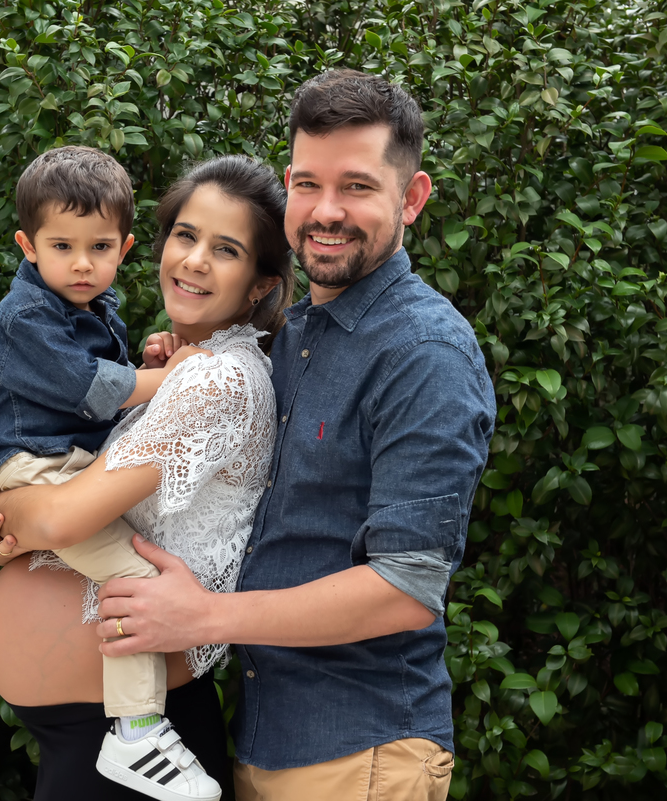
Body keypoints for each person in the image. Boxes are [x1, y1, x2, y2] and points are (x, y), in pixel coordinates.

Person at [90, 69, 497, 800]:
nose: (326, 210)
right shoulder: (293, 335)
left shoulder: (425, 353)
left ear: (412, 198)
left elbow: (405, 588)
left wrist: (203, 616)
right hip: (265, 739)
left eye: (357, 186)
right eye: (308, 184)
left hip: (362, 750)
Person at [0, 155, 296, 801]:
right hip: (91, 730)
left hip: (138, 741)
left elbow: (60, 517)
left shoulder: (214, 377)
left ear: (259, 285)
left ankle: (139, 730)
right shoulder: (186, 363)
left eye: (226, 249)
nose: (195, 260)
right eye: (186, 235)